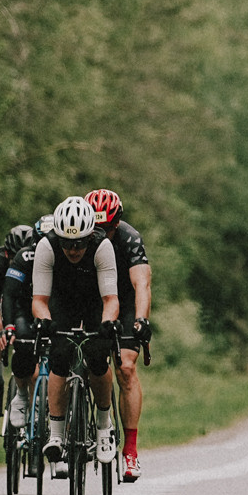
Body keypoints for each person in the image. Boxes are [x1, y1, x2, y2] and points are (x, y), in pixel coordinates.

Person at [31, 195, 120, 476]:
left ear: (89, 235)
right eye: (67, 243)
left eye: (79, 242)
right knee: (59, 357)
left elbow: (111, 298)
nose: (73, 249)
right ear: (58, 237)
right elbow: (39, 299)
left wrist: (107, 323)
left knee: (97, 357)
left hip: (95, 302)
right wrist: (44, 322)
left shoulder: (102, 246)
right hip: (63, 302)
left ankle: (104, 425)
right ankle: (56, 434)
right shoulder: (46, 246)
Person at [85, 188, 151, 480]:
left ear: (117, 224)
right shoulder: (77, 238)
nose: (102, 234)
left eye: (108, 228)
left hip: (122, 302)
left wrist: (140, 319)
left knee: (125, 366)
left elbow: (141, 284)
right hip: (91, 301)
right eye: (97, 228)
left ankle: (131, 450)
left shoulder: (129, 238)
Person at [0, 223, 39, 425]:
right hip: (3, 299)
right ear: (5, 253)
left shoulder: (37, 259)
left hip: (28, 299)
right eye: (12, 257)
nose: (16, 261)